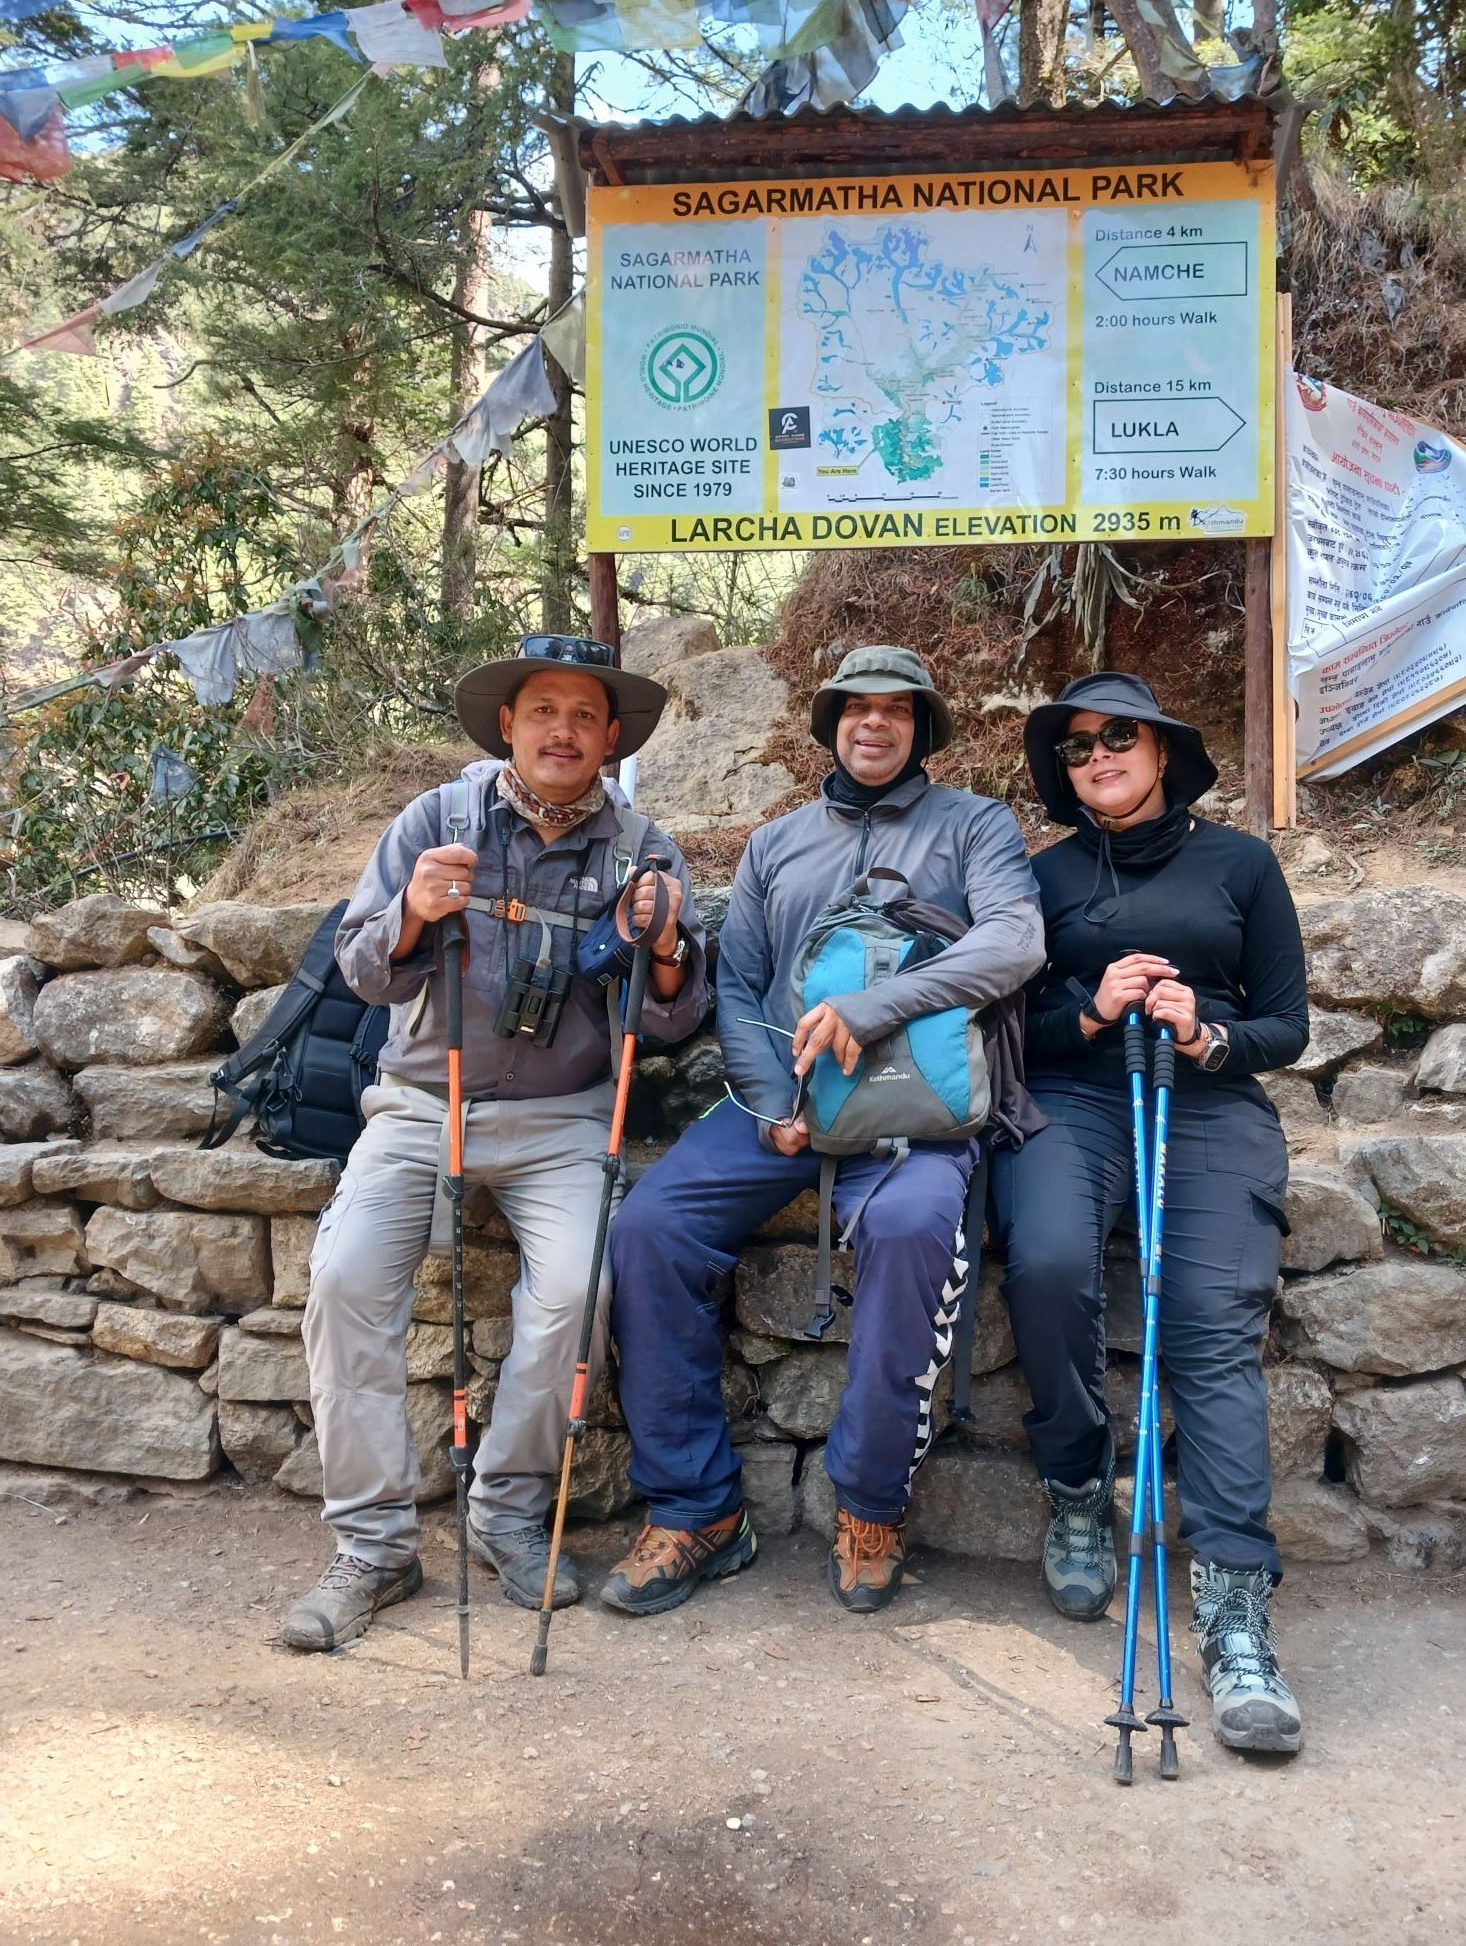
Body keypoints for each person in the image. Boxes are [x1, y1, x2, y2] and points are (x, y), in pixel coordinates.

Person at [280, 635, 708, 1653]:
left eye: (585, 714)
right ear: (507, 725)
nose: (563, 729)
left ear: (611, 736)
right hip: (427, 1100)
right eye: (542, 710)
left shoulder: (643, 848)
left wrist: (664, 949)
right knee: (344, 1278)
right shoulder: (437, 820)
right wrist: (415, 917)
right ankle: (375, 1543)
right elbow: (363, 971)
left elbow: (681, 1020)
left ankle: (510, 1511)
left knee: (578, 1290)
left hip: (565, 1117)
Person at [603, 646, 1044, 1618]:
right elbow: (747, 986)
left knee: (914, 1228)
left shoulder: (976, 827)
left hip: (917, 1109)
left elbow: (1015, 942)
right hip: (784, 1102)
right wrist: (776, 1104)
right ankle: (698, 1507)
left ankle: (871, 1501)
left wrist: (881, 1004)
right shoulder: (777, 844)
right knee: (650, 1228)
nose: (874, 724)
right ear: (831, 724)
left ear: (922, 725)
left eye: (897, 709)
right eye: (856, 709)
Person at [991, 671, 1309, 1756]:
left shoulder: (1242, 864)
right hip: (1076, 1096)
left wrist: (1207, 1033)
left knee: (1213, 1318)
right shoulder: (1041, 875)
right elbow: (1011, 1030)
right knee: (1045, 1259)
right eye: (1076, 748)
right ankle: (1079, 1483)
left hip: (1208, 1100)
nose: (1097, 757)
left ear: (1163, 749)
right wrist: (1092, 1008)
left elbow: (1287, 1023)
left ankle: (1233, 1604)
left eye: (1118, 737)